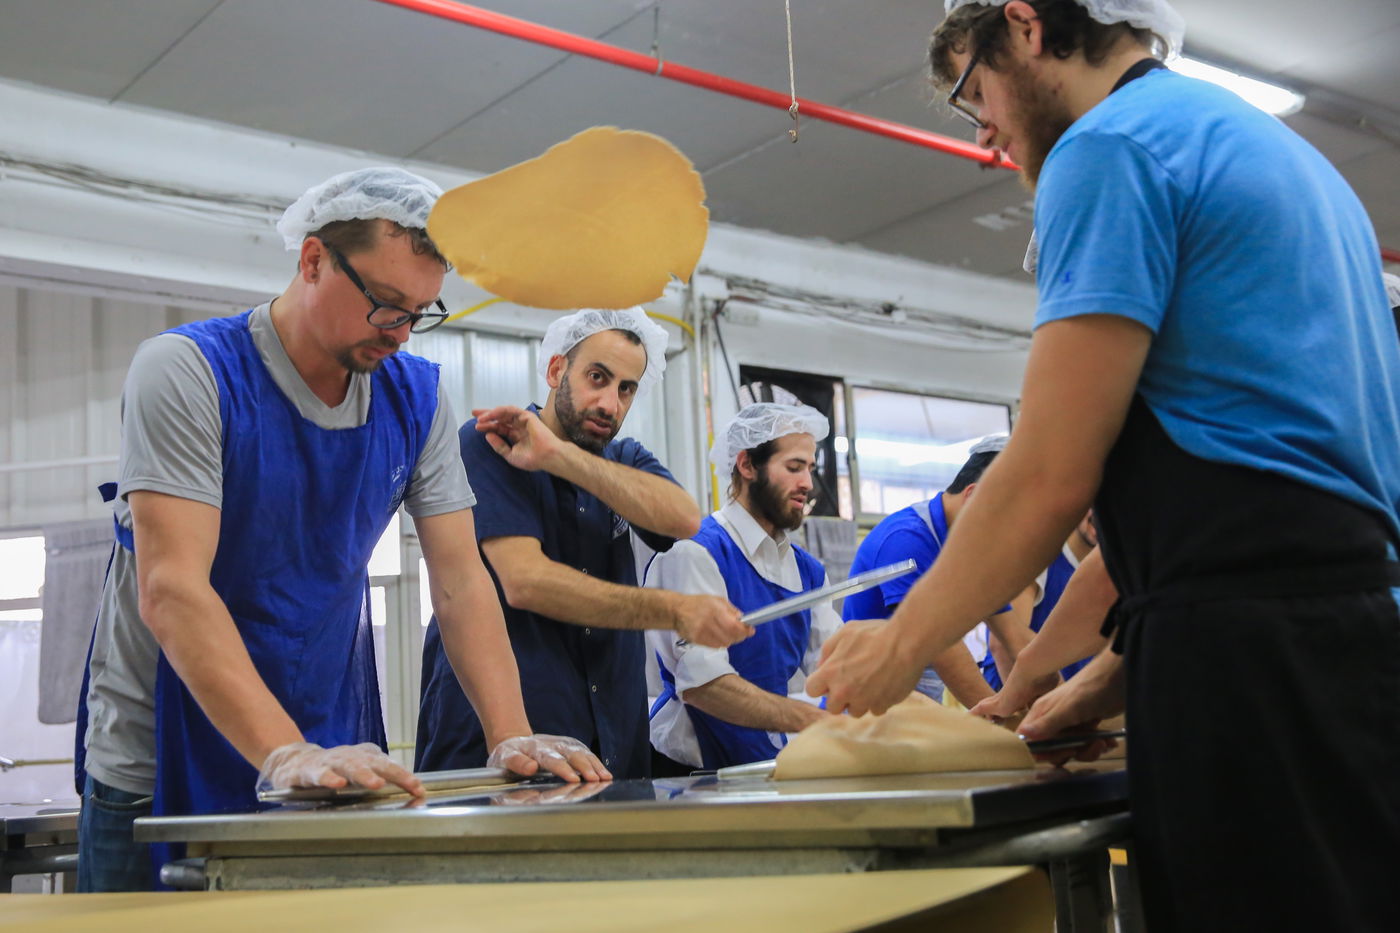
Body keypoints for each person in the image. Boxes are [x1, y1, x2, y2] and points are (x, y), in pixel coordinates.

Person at [808, 1, 1400, 929]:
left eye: (976, 90)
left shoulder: (1107, 148)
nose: (987, 130)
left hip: (1247, 667)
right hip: (1347, 640)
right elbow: (1233, 492)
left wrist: (901, 641)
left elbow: (1049, 470)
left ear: (1027, 26)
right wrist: (1079, 679)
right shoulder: (1288, 162)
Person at [74, 168, 606, 892]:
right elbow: (172, 589)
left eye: (420, 311)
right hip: (158, 756)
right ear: (313, 260)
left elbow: (458, 580)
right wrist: (282, 752)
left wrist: (510, 731)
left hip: (326, 751)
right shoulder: (191, 372)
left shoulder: (413, 398)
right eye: (386, 305)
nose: (400, 332)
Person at [416, 309, 752, 780]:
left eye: (626, 389)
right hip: (505, 738)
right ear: (556, 371)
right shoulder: (491, 442)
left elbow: (681, 519)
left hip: (609, 740)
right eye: (598, 377)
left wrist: (560, 456)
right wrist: (674, 610)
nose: (610, 403)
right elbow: (526, 582)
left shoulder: (623, 458)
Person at [645, 403, 836, 771]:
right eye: (794, 467)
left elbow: (834, 666)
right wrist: (812, 720)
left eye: (810, 469)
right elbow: (705, 685)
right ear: (747, 465)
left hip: (764, 760)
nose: (808, 484)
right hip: (689, 773)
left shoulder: (807, 572)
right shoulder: (697, 551)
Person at [841, 436, 1032, 707]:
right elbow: (940, 646)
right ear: (974, 496)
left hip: (920, 705)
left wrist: (1060, 701)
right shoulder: (907, 539)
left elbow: (1014, 635)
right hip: (865, 710)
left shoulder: (973, 551)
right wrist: (996, 715)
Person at [978, 511, 1097, 689]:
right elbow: (1003, 645)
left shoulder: (1114, 572)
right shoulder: (1037, 554)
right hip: (1016, 701)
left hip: (1070, 703)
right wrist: (1024, 712)